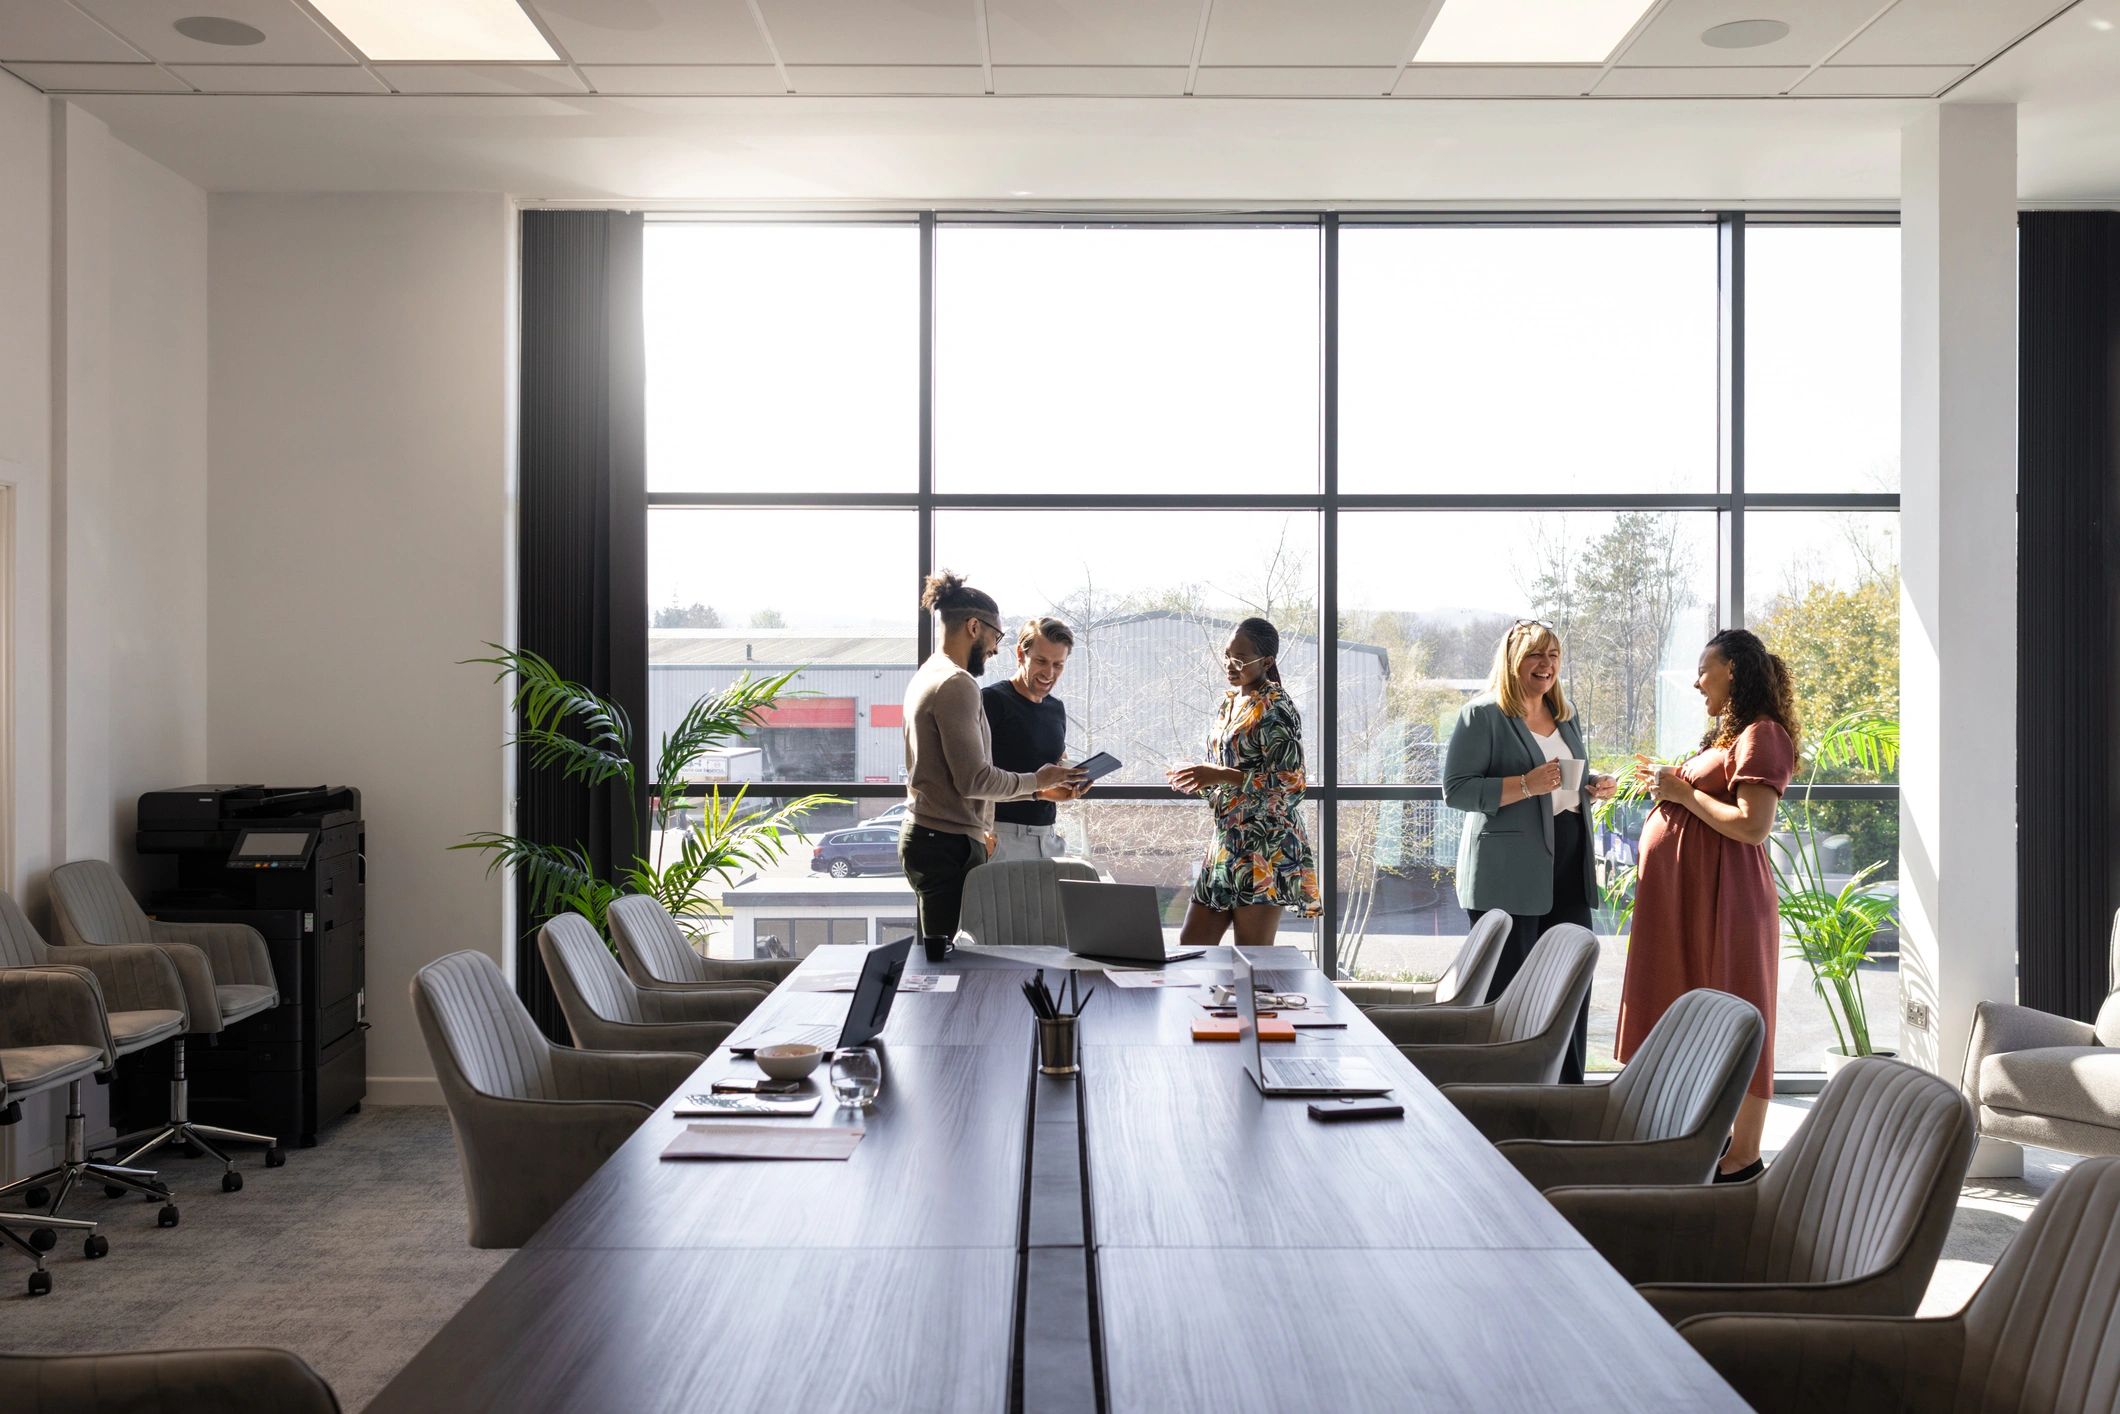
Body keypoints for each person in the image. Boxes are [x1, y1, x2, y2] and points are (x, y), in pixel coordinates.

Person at [1617, 627, 1797, 1182]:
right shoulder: (1732, 736)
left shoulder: (1761, 736)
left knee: (1740, 1010)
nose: (1697, 683)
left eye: (1705, 669)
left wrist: (1680, 792)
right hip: (1692, 900)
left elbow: (1752, 826)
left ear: (1734, 671)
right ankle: (1702, 1137)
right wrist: (1670, 784)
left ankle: (1743, 1157)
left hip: (1727, 901)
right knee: (1692, 1011)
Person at [1441, 619, 1616, 1084]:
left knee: (1570, 981)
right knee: (1511, 993)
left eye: (1554, 655)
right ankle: (1503, 1096)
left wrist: (1592, 784)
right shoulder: (1482, 716)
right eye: (1536, 655)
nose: (1547, 665)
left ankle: (1569, 1095)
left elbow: (1563, 778)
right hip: (1506, 875)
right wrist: (1525, 785)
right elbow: (1456, 790)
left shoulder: (1565, 714)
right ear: (1513, 662)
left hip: (1568, 866)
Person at [899, 573, 1084, 951]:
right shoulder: (957, 684)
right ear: (973, 627)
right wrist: (1037, 782)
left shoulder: (930, 674)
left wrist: (1041, 791)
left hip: (937, 837)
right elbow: (974, 780)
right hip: (945, 841)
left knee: (946, 955)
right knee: (950, 963)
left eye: (1059, 665)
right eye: (995, 637)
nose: (994, 649)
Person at [1168, 617, 1321, 949]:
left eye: (1239, 659)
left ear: (1266, 662)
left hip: (1265, 844)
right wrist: (1200, 778)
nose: (1229, 665)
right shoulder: (1230, 703)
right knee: (1192, 945)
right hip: (1227, 842)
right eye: (1226, 655)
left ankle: (1259, 1003)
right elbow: (1230, 768)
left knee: (1252, 961)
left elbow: (1292, 784)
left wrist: (1219, 775)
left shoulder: (1276, 707)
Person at [982, 617, 1092, 865]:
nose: (1049, 673)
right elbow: (972, 778)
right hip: (1000, 836)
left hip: (1048, 836)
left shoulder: (1056, 708)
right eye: (1041, 661)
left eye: (1058, 665)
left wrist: (1070, 783)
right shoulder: (991, 701)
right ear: (1021, 654)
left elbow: (1052, 766)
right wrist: (982, 834)